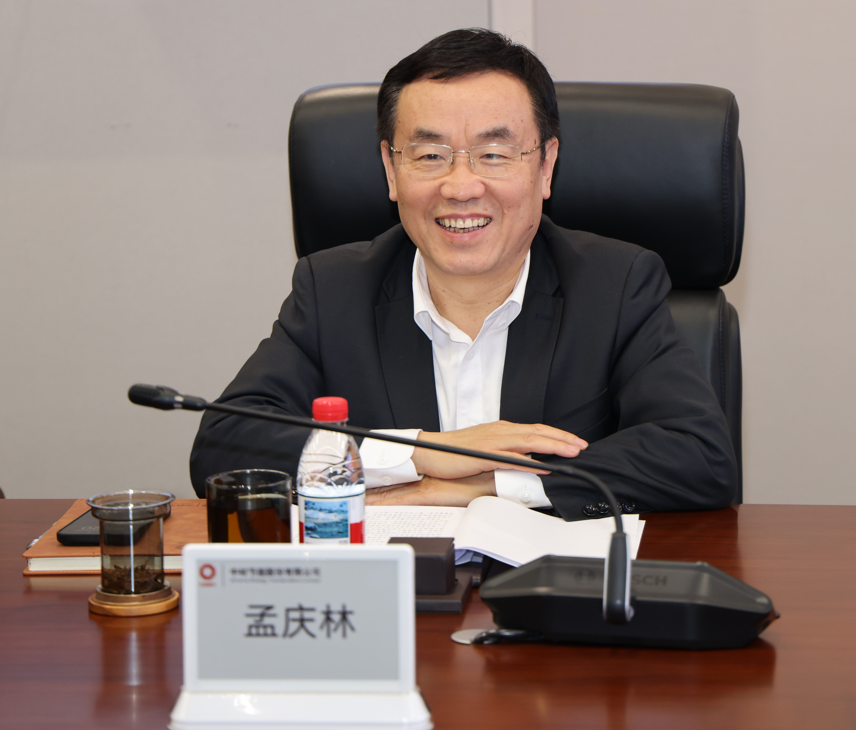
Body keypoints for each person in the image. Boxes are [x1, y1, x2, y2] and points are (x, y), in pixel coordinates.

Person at [190, 28, 737, 520]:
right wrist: (420, 453)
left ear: (545, 166)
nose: (460, 186)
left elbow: (701, 457)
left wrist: (480, 485)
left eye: (494, 154)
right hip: (399, 590)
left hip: (551, 589)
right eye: (430, 156)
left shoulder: (614, 286)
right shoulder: (333, 290)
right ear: (391, 169)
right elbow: (225, 446)